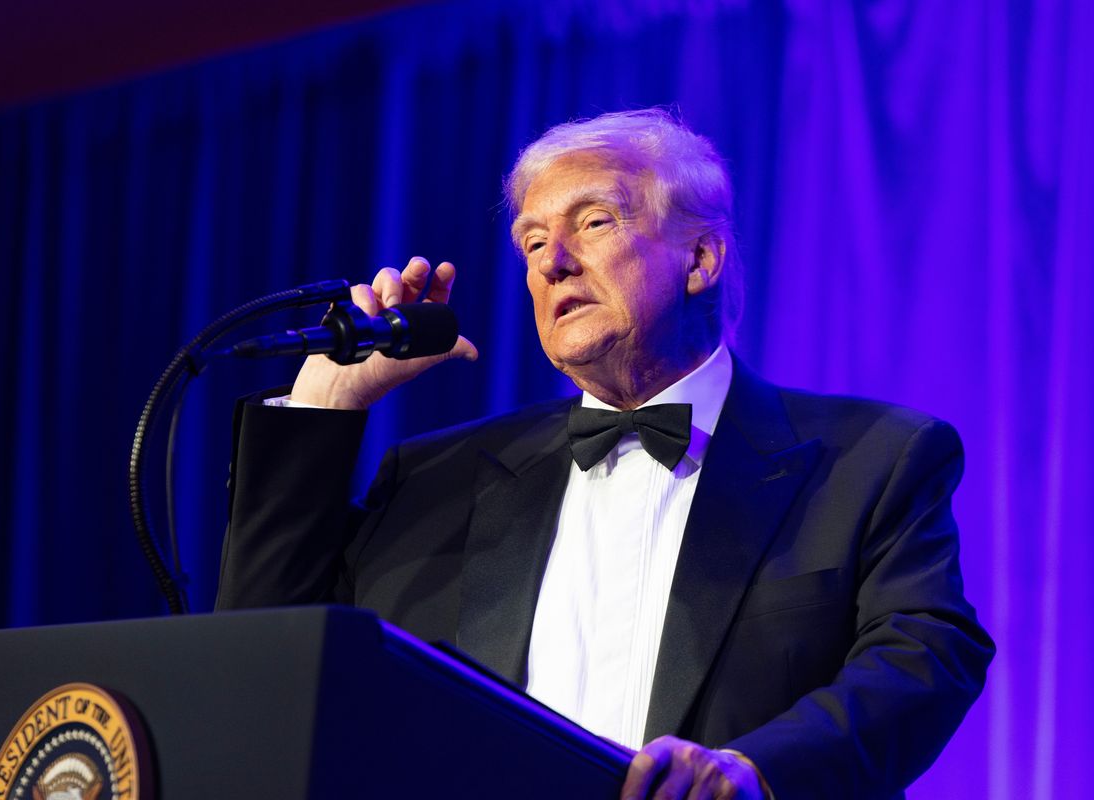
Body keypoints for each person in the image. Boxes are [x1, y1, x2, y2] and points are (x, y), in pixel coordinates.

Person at [216, 109, 994, 800]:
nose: (552, 262)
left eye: (592, 223)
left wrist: (758, 770)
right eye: (531, 241)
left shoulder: (870, 460)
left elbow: (925, 655)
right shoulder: (434, 481)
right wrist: (326, 404)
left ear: (700, 260)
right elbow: (261, 664)